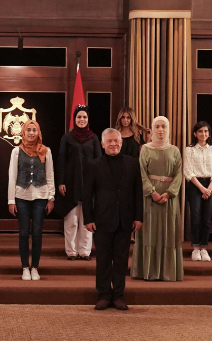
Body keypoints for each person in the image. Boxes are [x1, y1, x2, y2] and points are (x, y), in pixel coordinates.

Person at [83, 129, 144, 311]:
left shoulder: (133, 163)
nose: (113, 144)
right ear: (102, 144)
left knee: (121, 260)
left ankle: (118, 295)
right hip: (101, 219)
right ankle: (103, 295)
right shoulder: (94, 165)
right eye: (109, 141)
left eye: (116, 141)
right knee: (103, 259)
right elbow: (87, 194)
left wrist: (138, 217)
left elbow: (138, 192)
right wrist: (88, 218)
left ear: (121, 142)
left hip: (125, 219)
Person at [132, 116, 184, 282]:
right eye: (157, 127)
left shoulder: (174, 150)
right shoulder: (145, 149)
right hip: (150, 197)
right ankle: (148, 270)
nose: (161, 130)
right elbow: (141, 173)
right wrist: (151, 192)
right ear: (152, 130)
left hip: (169, 198)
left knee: (169, 232)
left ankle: (168, 272)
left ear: (168, 129)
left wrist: (169, 193)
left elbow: (178, 174)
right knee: (150, 232)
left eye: (163, 126)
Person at [8, 120, 53, 280]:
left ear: (38, 132)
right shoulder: (16, 151)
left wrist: (51, 197)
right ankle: (25, 267)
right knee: (23, 232)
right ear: (24, 132)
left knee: (37, 232)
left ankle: (35, 267)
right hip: (21, 196)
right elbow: (12, 177)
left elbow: (50, 175)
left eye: (34, 130)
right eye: (29, 130)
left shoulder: (46, 151)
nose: (32, 133)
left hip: (41, 196)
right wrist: (11, 200)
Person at [56, 105, 97, 260]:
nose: (82, 119)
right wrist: (61, 181)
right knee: (72, 220)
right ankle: (71, 251)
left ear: (88, 119)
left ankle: (85, 251)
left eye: (84, 117)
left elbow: (99, 161)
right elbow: (61, 160)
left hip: (89, 183)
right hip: (71, 183)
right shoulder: (67, 138)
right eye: (79, 117)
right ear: (74, 119)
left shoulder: (93, 138)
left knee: (87, 219)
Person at [183, 121, 212, 261]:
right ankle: (195, 248)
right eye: (200, 131)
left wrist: (209, 188)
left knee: (206, 218)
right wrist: (202, 188)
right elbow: (188, 170)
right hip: (195, 184)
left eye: (206, 131)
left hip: (210, 184)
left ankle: (204, 248)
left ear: (209, 134)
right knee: (196, 217)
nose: (203, 134)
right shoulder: (189, 149)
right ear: (195, 133)